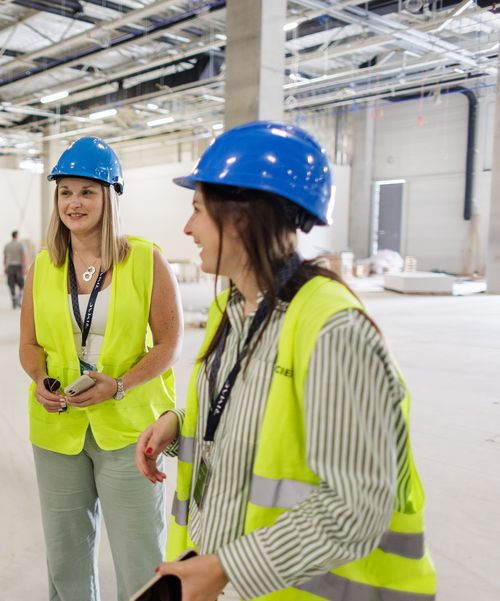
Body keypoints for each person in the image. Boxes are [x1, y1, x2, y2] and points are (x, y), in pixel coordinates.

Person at [135, 121, 436, 600]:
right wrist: (179, 423)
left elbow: (357, 506)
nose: (187, 228)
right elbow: (252, 414)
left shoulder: (333, 330)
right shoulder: (233, 310)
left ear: (240, 217)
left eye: (197, 209)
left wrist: (229, 567)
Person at [19, 136, 184, 601]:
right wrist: (39, 380)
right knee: (66, 558)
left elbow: (170, 344)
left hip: (129, 430)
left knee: (140, 558)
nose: (75, 202)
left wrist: (121, 386)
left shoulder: (147, 260)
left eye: (87, 191)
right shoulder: (42, 266)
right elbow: (29, 345)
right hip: (57, 430)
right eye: (66, 192)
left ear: (110, 196)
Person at [4, 230, 28, 308]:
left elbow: (5, 257)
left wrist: (5, 267)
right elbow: (24, 256)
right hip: (18, 266)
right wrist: (25, 267)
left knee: (11, 284)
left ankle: (14, 300)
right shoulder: (20, 245)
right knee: (21, 284)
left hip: (10, 266)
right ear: (17, 236)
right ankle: (19, 299)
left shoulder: (7, 245)